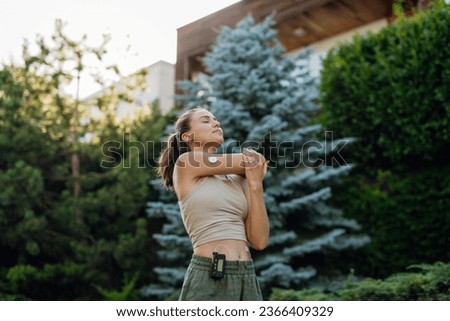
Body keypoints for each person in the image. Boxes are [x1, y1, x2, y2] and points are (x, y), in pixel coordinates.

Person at [158, 107, 270, 301]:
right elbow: (253, 160)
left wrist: (255, 185)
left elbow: (259, 241)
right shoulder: (186, 163)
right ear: (187, 136)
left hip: (247, 276)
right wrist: (253, 167)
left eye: (215, 119)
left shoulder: (237, 178)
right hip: (210, 273)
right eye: (206, 120)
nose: (216, 123)